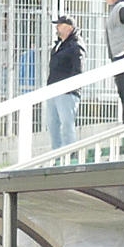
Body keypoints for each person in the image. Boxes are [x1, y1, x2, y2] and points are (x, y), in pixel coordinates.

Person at [46, 15, 83, 152]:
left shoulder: (76, 45)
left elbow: (78, 69)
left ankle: (70, 154)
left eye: (60, 25)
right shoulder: (59, 45)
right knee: (53, 125)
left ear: (69, 28)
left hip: (67, 93)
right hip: (53, 91)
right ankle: (56, 155)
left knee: (67, 125)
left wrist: (70, 87)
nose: (57, 28)